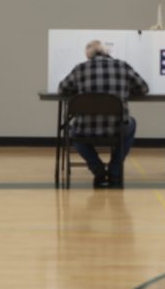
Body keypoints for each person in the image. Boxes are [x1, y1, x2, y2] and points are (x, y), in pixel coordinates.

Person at [58, 40, 149, 188]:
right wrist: (124, 89)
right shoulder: (122, 66)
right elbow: (143, 88)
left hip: (85, 130)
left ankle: (97, 169)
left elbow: (62, 90)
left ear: (89, 56)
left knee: (73, 132)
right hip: (117, 130)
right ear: (107, 52)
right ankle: (114, 170)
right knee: (131, 123)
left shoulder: (80, 69)